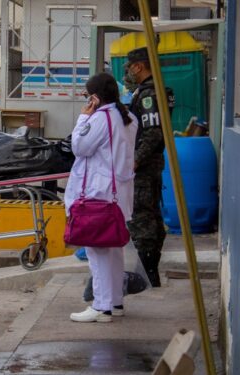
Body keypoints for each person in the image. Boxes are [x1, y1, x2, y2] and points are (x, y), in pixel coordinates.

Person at [67, 73, 138, 323]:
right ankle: (115, 301)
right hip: (120, 193)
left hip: (100, 194)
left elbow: (79, 147)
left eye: (88, 97)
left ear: (95, 98)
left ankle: (101, 306)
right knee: (114, 250)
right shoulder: (129, 118)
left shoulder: (100, 119)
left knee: (97, 252)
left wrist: (82, 118)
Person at [124, 47, 175, 287]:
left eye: (129, 67)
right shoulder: (149, 91)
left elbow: (153, 132)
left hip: (144, 166)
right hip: (149, 163)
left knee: (141, 217)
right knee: (150, 215)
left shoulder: (149, 94)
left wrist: (136, 159)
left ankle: (146, 271)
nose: (128, 72)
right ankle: (149, 270)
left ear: (139, 66)